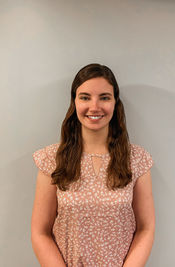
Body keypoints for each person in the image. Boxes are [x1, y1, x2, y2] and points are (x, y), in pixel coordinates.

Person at [31, 63, 155, 267]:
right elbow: (40, 232)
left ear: (115, 102)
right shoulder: (51, 159)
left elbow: (146, 228)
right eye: (85, 97)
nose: (94, 106)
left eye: (104, 97)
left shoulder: (137, 159)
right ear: (74, 102)